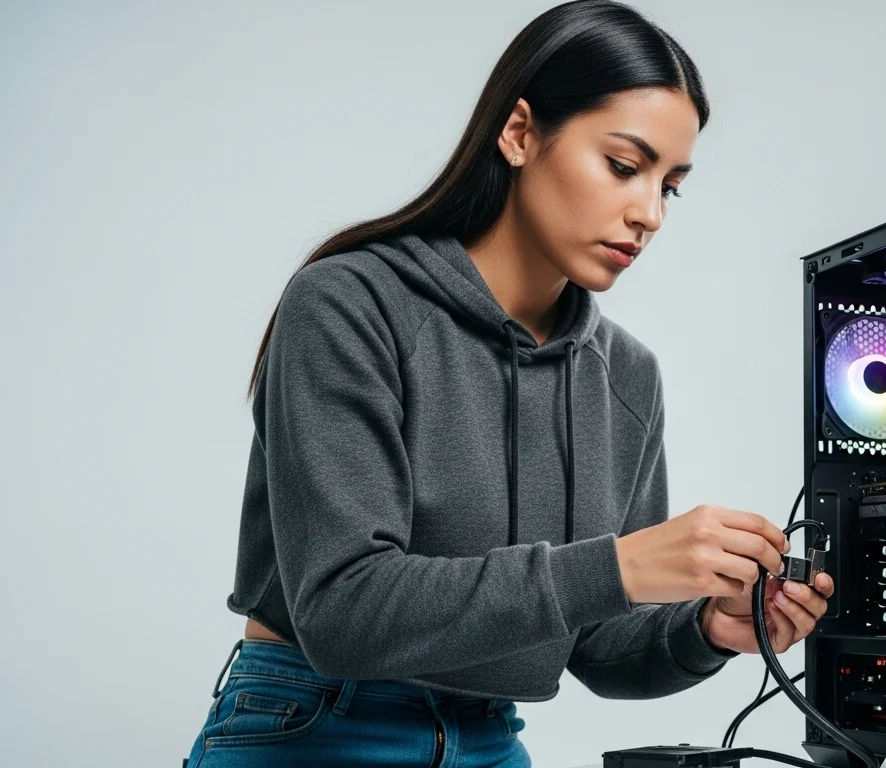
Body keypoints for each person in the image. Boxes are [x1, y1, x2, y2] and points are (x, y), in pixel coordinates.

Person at [182, 2, 834, 766]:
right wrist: (618, 566)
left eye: (671, 186)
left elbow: (595, 645)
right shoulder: (348, 304)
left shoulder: (627, 377)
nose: (649, 213)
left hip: (490, 737)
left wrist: (707, 630)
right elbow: (343, 613)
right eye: (625, 166)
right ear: (520, 133)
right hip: (313, 725)